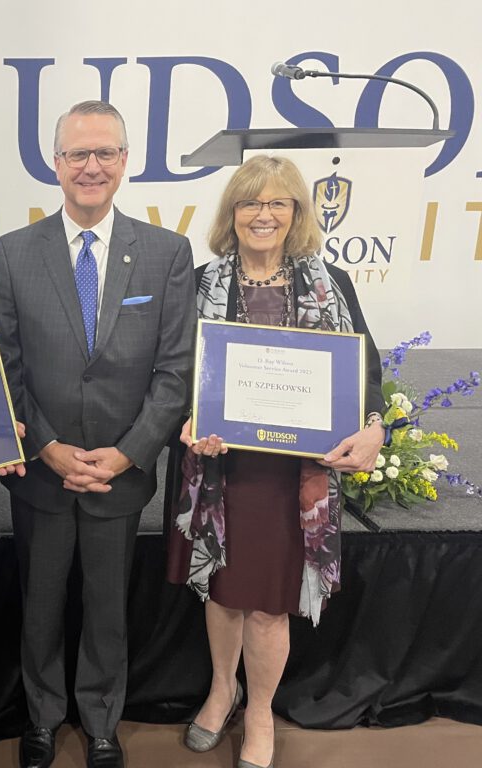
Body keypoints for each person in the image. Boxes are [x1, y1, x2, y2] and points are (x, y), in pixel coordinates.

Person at [0, 100, 196, 768]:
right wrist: (45, 447)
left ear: (126, 162)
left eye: (105, 152)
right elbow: (5, 367)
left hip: (121, 474)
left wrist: (127, 452)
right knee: (40, 605)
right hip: (43, 473)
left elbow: (174, 371)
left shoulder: (166, 254)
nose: (91, 166)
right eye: (78, 153)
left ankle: (102, 720)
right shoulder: (16, 254)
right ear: (55, 164)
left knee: (108, 609)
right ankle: (44, 717)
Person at [166, 155, 385, 768]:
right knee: (223, 592)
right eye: (250, 203)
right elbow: (180, 373)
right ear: (231, 214)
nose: (263, 215)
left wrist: (374, 429)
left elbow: (366, 371)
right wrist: (188, 423)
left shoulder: (331, 283)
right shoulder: (204, 284)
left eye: (278, 203)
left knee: (268, 603)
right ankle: (220, 690)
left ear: (296, 214)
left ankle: (258, 710)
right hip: (223, 472)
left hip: (296, 477)